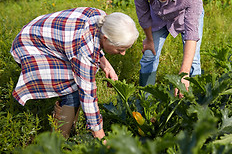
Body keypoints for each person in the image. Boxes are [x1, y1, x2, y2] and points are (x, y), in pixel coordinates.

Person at [10, 7, 139, 140]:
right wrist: (99, 134)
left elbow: (94, 43)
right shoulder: (84, 49)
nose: (123, 53)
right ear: (106, 38)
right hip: (31, 46)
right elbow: (88, 95)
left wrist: (106, 65)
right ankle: (58, 142)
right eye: (120, 49)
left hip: (38, 33)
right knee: (72, 90)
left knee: (75, 85)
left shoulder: (103, 19)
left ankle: (68, 129)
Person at [133, 0, 204, 96]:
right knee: (149, 55)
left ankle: (194, 99)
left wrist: (183, 73)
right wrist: (149, 39)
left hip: (184, 16)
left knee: (193, 59)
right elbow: (143, 15)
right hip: (158, 16)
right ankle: (145, 99)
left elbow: (191, 33)